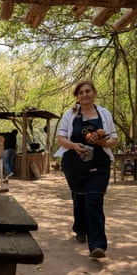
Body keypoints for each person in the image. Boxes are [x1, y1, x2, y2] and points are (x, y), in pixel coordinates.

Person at [54, 80, 118, 259]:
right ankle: (80, 228)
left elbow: (114, 139)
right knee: (79, 199)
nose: (84, 95)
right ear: (77, 96)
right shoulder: (71, 114)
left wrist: (103, 142)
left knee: (93, 201)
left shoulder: (104, 114)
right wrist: (74, 146)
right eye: (81, 92)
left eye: (88, 91)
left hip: (99, 165)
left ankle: (97, 245)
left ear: (94, 93)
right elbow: (61, 138)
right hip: (75, 165)